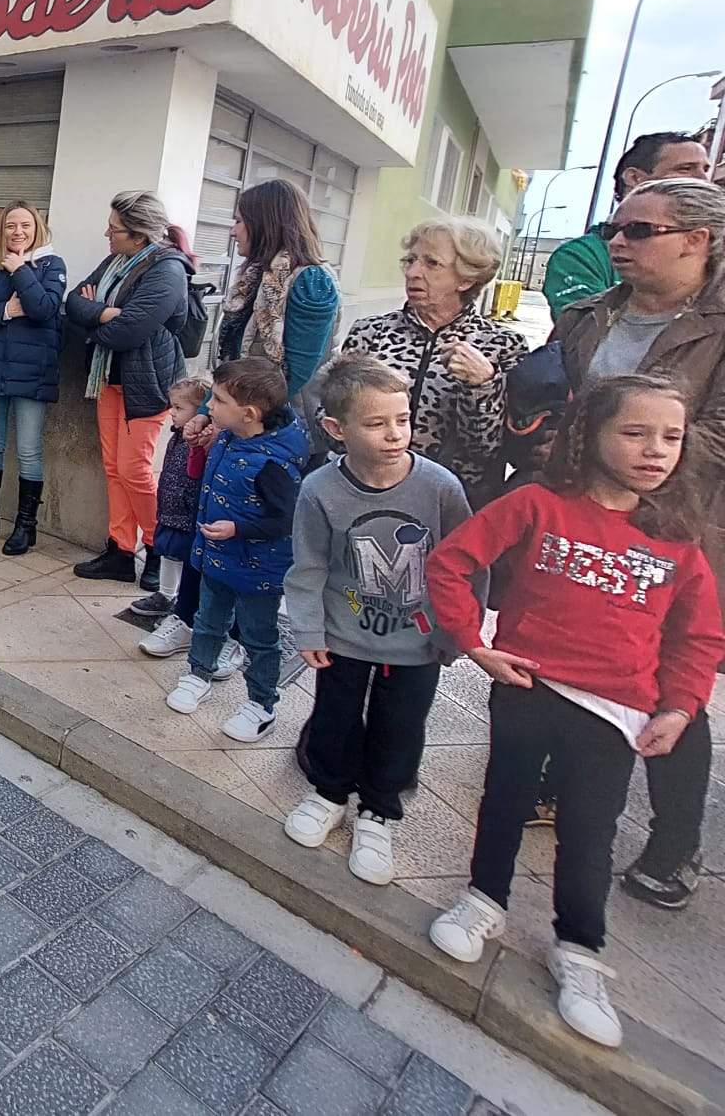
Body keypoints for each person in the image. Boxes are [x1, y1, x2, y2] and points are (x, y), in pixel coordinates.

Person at [424, 374, 722, 1049]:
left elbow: (697, 635)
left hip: (617, 711)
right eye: (636, 432)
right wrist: (474, 643)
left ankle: (581, 950)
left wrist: (681, 705)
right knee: (504, 800)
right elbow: (451, 562)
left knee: (590, 829)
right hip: (528, 687)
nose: (655, 450)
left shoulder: (677, 539)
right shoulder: (535, 504)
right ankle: (483, 901)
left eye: (670, 437)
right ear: (591, 434)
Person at [542, 177, 725, 910]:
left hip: (677, 526)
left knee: (669, 680)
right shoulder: (592, 313)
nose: (616, 242)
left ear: (696, 239)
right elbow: (559, 393)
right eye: (614, 227)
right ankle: (558, 782)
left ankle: (675, 842)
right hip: (581, 514)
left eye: (638, 231)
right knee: (571, 649)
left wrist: (628, 446)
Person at [283, 354, 471, 886]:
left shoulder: (439, 487)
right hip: (343, 634)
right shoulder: (320, 489)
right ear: (336, 429)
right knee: (335, 715)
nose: (395, 434)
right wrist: (308, 628)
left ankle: (381, 810)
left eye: (402, 419)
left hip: (418, 643)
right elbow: (310, 563)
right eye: (376, 423)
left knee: (401, 725)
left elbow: (465, 562)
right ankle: (328, 792)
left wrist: (461, 630)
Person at [166, 356, 309, 741]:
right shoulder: (234, 434)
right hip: (216, 556)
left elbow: (287, 521)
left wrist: (238, 528)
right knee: (208, 620)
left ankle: (261, 703)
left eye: (217, 401)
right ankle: (199, 674)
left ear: (248, 413)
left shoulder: (275, 462)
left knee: (260, 637)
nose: (208, 407)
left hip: (257, 570)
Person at [339, 219, 526, 506]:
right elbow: (332, 420)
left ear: (466, 279)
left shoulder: (502, 346)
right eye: (411, 260)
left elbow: (488, 451)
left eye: (431, 263)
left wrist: (483, 385)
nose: (413, 272)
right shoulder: (370, 332)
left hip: (450, 505)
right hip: (367, 493)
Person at [65, 191, 196, 588]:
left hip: (149, 384)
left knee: (135, 470)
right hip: (109, 379)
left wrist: (98, 316)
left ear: (138, 235)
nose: (107, 233)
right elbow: (74, 302)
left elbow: (128, 331)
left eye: (115, 228)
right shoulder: (116, 261)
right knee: (113, 467)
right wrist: (103, 312)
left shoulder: (168, 270)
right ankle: (120, 550)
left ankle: (158, 549)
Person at [0, 202, 66, 555]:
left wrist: (20, 269)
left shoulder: (52, 265)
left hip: (32, 373)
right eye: (10, 226)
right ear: (0, 230)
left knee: (29, 450)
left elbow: (44, 309)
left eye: (25, 226)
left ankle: (26, 525)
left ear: (38, 228)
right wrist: (5, 310)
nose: (18, 232)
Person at [132, 378, 248, 678]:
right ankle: (185, 617)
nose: (210, 406)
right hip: (188, 511)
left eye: (216, 401)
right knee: (195, 557)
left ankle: (234, 637)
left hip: (214, 516)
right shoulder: (195, 432)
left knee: (235, 565)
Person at [210, 177, 340, 419]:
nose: (232, 232)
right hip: (245, 416)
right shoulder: (256, 275)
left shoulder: (311, 280)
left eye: (239, 221)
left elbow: (295, 375)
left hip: (281, 425)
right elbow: (233, 361)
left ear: (264, 224)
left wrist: (237, 415)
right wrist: (207, 409)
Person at [544, 131, 712, 314]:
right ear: (634, 178)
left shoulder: (713, 249)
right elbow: (586, 331)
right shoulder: (583, 256)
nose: (704, 180)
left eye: (705, 170)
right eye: (685, 169)